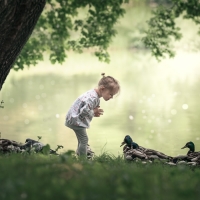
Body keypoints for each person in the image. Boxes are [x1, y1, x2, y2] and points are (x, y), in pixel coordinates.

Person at [65, 73, 120, 158]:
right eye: (111, 94)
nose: (111, 97)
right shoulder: (93, 98)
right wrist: (93, 112)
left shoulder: (93, 94)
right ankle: (83, 160)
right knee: (84, 140)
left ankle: (79, 155)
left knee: (81, 140)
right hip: (75, 120)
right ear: (102, 89)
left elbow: (85, 110)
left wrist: (93, 112)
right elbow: (83, 111)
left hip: (74, 118)